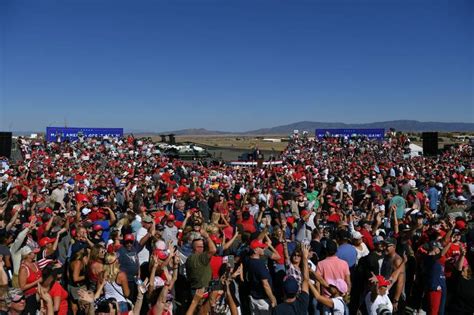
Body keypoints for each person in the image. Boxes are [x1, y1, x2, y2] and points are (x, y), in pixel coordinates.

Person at [272, 244, 310, 315]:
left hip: (299, 297)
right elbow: (286, 257)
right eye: (294, 255)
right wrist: (285, 247)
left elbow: (306, 279)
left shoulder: (302, 270)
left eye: (298, 255)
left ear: (301, 258)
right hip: (290, 298)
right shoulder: (290, 266)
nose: (296, 256)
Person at [245, 238, 277, 314]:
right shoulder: (259, 265)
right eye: (261, 248)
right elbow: (265, 284)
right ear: (255, 250)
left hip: (253, 298)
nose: (264, 249)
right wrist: (273, 299)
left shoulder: (248, 260)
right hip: (262, 301)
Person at [185, 228, 216, 294]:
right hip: (203, 290)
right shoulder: (201, 257)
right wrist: (207, 236)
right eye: (201, 247)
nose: (203, 248)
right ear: (197, 248)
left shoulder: (189, 259)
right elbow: (213, 250)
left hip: (194, 289)